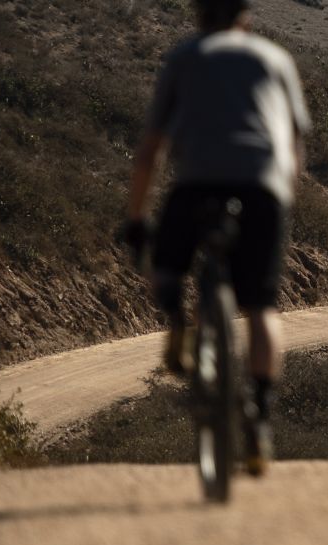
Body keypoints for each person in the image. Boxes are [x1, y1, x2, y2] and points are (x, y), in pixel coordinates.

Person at [121, 0, 311, 476]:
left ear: (198, 17)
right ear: (244, 18)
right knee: (263, 309)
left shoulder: (183, 58)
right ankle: (261, 420)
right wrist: (282, 195)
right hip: (263, 190)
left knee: (165, 266)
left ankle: (176, 322)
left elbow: (150, 151)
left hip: (196, 186)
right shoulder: (275, 58)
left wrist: (137, 218)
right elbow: (295, 142)